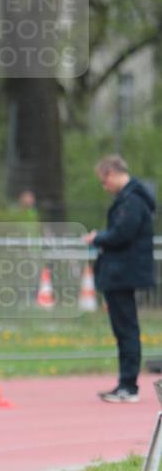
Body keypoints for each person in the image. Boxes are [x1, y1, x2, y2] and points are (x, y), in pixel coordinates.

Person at [83, 154, 155, 403]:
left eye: (104, 181)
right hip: (120, 273)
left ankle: (129, 386)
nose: (105, 187)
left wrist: (98, 238)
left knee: (127, 330)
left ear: (113, 173)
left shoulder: (132, 200)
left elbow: (122, 233)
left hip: (124, 273)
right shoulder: (130, 198)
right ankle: (125, 383)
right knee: (124, 329)